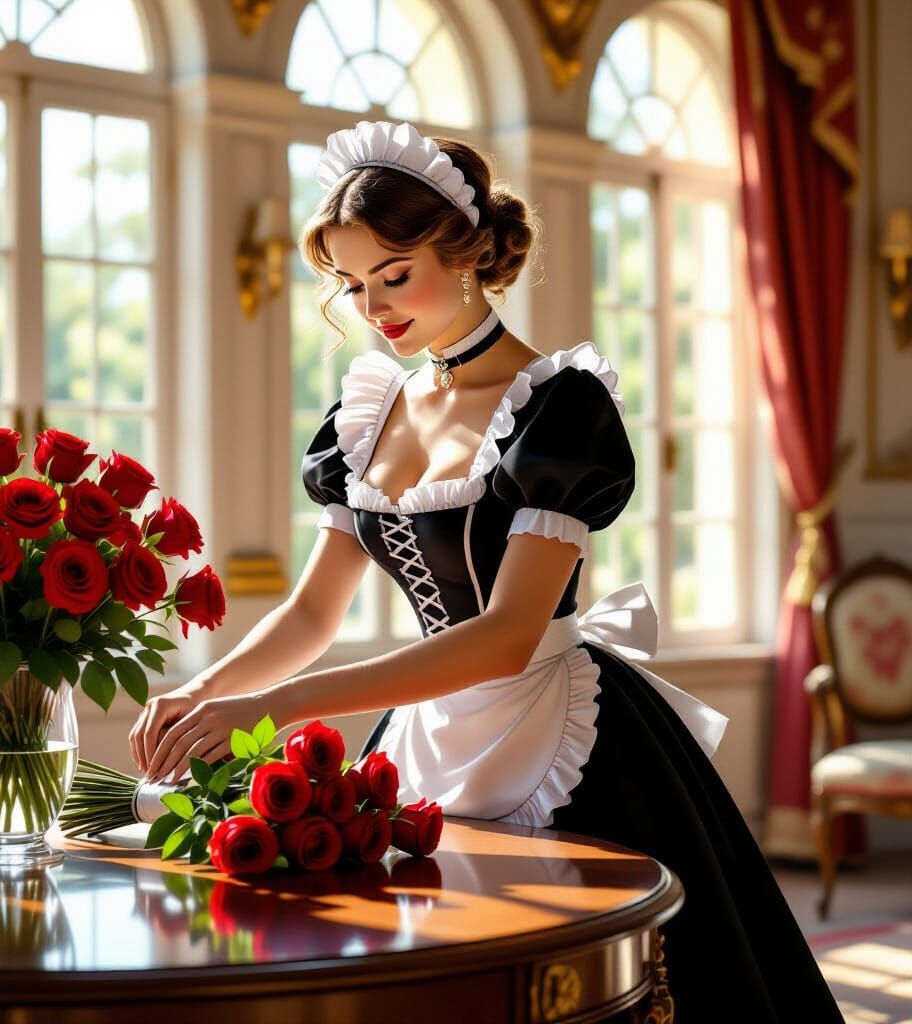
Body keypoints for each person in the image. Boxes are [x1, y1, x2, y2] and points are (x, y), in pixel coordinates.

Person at [128, 120, 842, 1022]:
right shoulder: (369, 411)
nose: (376, 307)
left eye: (396, 274)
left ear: (466, 254)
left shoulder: (560, 408)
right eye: (352, 285)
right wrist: (205, 694)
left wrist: (271, 709)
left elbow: (507, 639)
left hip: (567, 731)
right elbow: (310, 616)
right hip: (423, 736)